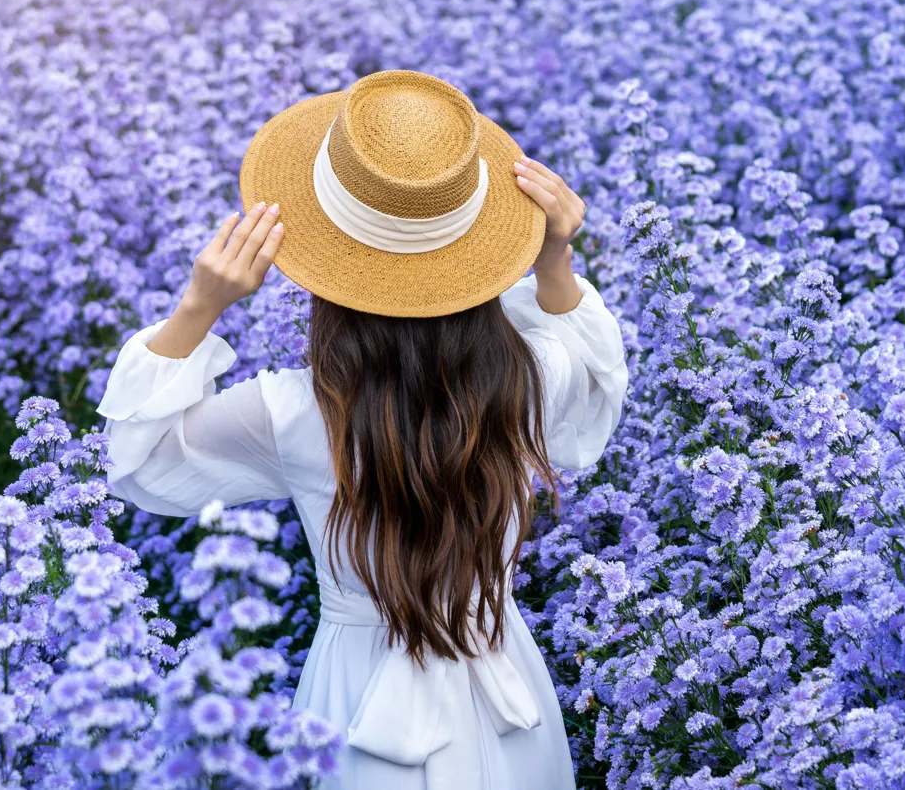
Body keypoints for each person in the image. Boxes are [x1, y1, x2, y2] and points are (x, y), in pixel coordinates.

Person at [96, 69, 629, 790]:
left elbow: (142, 464)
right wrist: (555, 259)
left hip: (356, 700)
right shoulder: (526, 377)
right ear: (474, 260)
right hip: (510, 700)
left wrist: (200, 305)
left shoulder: (295, 411)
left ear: (330, 273)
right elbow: (594, 391)